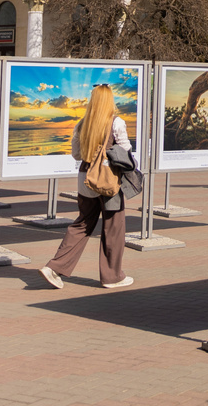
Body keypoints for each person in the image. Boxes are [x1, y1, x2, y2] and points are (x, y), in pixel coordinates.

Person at [39, 84, 133, 289]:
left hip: (86, 178)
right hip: (107, 181)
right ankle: (112, 277)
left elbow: (76, 155)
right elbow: (125, 151)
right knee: (114, 227)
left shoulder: (82, 124)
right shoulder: (116, 122)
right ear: (109, 100)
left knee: (82, 224)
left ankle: (54, 267)